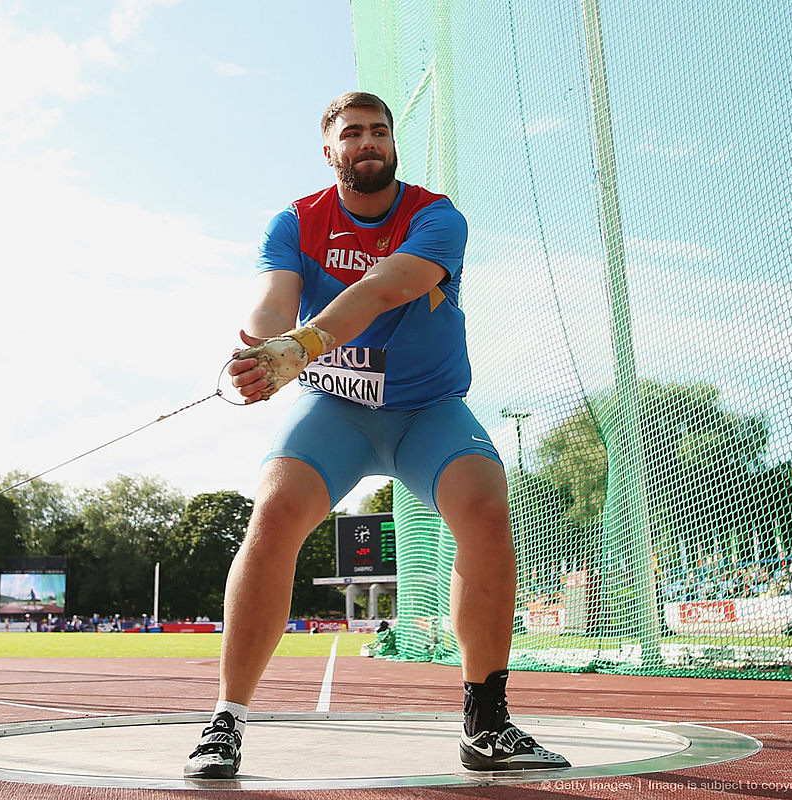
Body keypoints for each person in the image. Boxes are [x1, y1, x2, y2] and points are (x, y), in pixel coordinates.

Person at [183, 91, 570, 779]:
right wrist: (264, 346)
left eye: (380, 132)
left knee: (485, 508)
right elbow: (273, 297)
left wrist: (302, 343)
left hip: (428, 409)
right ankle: (225, 721)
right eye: (353, 133)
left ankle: (486, 724)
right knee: (272, 513)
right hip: (335, 407)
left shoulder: (435, 216)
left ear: (393, 145)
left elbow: (388, 287)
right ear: (329, 150)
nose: (369, 143)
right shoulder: (296, 221)